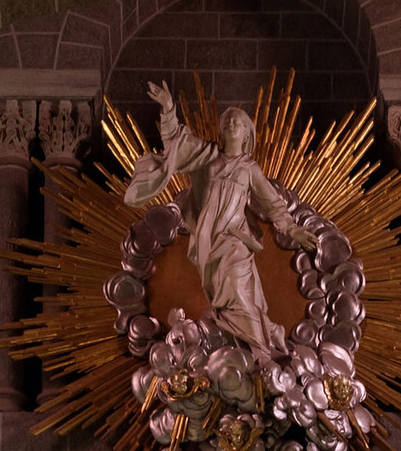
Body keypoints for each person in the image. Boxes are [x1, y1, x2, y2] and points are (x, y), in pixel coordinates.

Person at [124, 83, 319, 365]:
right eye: (227, 120)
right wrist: (168, 109)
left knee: (240, 296)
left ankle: (262, 354)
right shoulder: (209, 158)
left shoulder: (249, 169)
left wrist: (291, 227)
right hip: (208, 241)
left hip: (235, 240)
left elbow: (272, 202)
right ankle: (237, 350)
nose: (231, 123)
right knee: (223, 301)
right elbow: (181, 141)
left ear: (247, 133)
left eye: (237, 122)